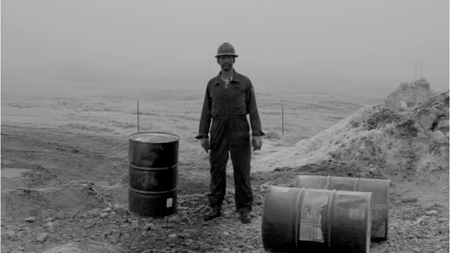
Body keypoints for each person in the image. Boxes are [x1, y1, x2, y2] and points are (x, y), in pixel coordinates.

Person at [196, 42, 264, 224]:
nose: (226, 60)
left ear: (234, 59)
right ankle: (215, 206)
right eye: (222, 57)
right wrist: (203, 134)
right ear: (218, 61)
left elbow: (253, 109)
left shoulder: (245, 82)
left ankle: (244, 209)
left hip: (240, 131)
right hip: (217, 131)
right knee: (217, 170)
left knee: (242, 171)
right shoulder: (212, 84)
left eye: (229, 57)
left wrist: (256, 134)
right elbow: (206, 110)